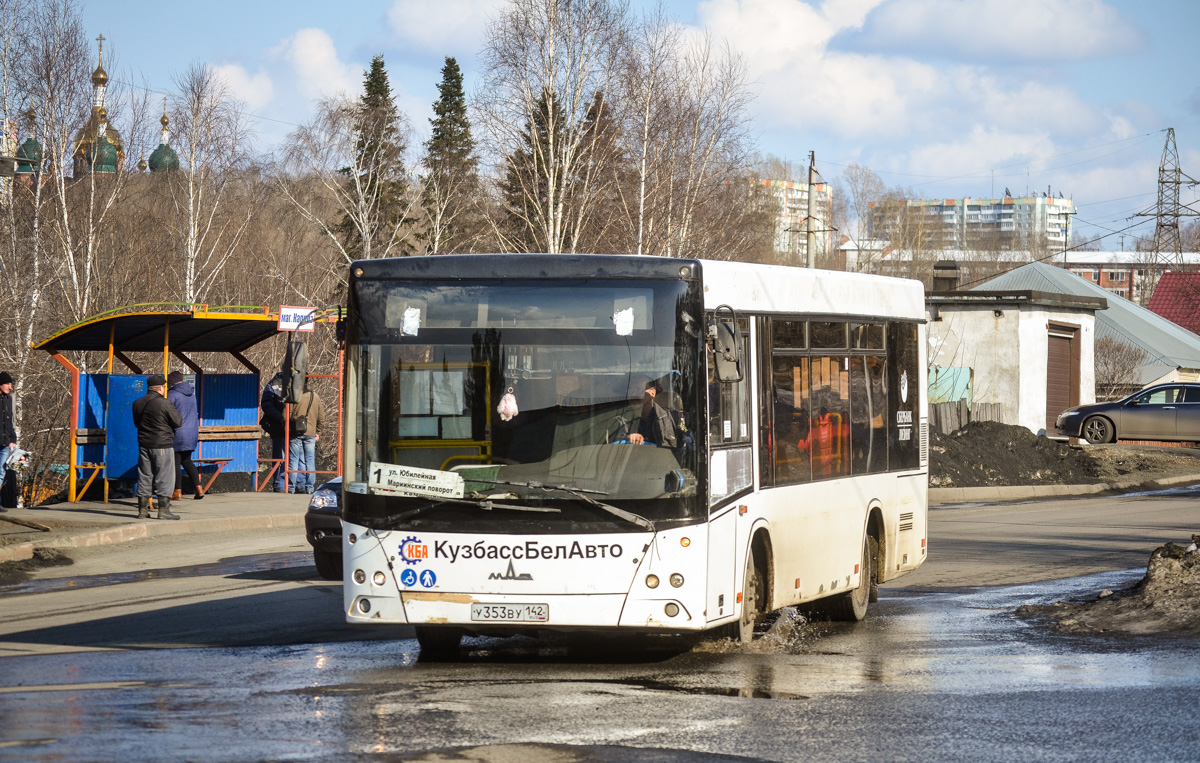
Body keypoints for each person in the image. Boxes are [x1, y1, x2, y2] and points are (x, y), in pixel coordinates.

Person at [132, 374, 182, 520]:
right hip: (162, 444)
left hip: (144, 444)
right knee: (164, 477)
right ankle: (164, 511)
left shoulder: (138, 403)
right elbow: (178, 422)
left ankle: (142, 511)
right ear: (161, 388)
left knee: (144, 476)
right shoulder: (165, 403)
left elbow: (137, 424)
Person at [167, 371, 204, 500]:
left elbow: (168, 413)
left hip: (178, 433)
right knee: (187, 460)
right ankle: (199, 488)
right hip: (191, 433)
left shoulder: (172, 395)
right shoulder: (192, 395)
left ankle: (177, 492)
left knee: (175, 462)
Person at [618, 375, 678, 448]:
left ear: (652, 393)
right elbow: (611, 444)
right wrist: (628, 438)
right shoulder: (621, 419)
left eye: (639, 390)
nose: (634, 395)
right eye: (631, 391)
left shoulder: (670, 419)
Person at [288, 383, 324, 494]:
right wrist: (318, 431)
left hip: (295, 432)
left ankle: (291, 487)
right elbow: (321, 417)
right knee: (310, 460)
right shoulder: (315, 396)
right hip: (311, 433)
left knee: (293, 460)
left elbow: (286, 415)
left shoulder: (294, 396)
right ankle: (309, 488)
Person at [260, 372, 287, 492]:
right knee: (280, 457)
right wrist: (281, 418)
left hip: (289, 428)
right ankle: (280, 485)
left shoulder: (275, 384)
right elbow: (266, 405)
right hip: (279, 428)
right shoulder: (273, 385)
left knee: (289, 458)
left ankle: (287, 485)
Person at [0, 371, 16, 511]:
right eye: (7, 384)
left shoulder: (8, 399)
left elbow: (9, 421)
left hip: (5, 442)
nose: (10, 387)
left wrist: (13, 439)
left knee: (1, 472)